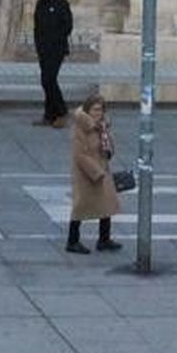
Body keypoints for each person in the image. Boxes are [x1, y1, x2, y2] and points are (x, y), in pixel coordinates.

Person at [66, 93, 122, 254]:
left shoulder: (101, 126)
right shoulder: (81, 128)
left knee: (106, 206)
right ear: (87, 110)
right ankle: (72, 241)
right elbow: (79, 155)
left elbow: (108, 145)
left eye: (100, 110)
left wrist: (109, 151)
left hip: (101, 169)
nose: (98, 113)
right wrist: (96, 172)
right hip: (87, 174)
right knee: (81, 207)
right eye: (94, 109)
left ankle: (104, 239)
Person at [32, 0, 73, 128]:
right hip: (43, 49)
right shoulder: (40, 4)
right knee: (46, 81)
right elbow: (37, 27)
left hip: (56, 49)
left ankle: (61, 111)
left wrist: (56, 38)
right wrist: (39, 44)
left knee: (49, 80)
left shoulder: (61, 3)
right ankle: (49, 114)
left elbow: (67, 25)